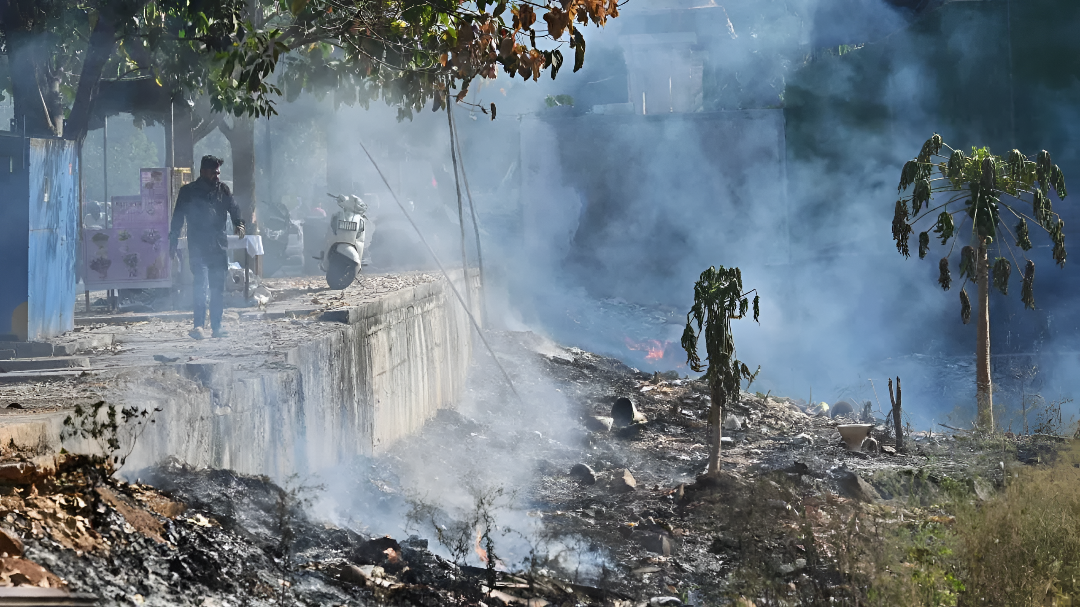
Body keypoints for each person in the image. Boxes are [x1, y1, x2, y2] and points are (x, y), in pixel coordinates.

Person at [169, 155, 246, 339]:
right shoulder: (188, 192)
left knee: (217, 288)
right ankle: (198, 326)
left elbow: (234, 209)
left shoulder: (223, 190)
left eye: (218, 172)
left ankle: (217, 326)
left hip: (218, 247)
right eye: (213, 172)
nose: (217, 176)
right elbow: (178, 218)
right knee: (201, 285)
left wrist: (239, 223)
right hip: (198, 247)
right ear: (203, 171)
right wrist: (172, 241)